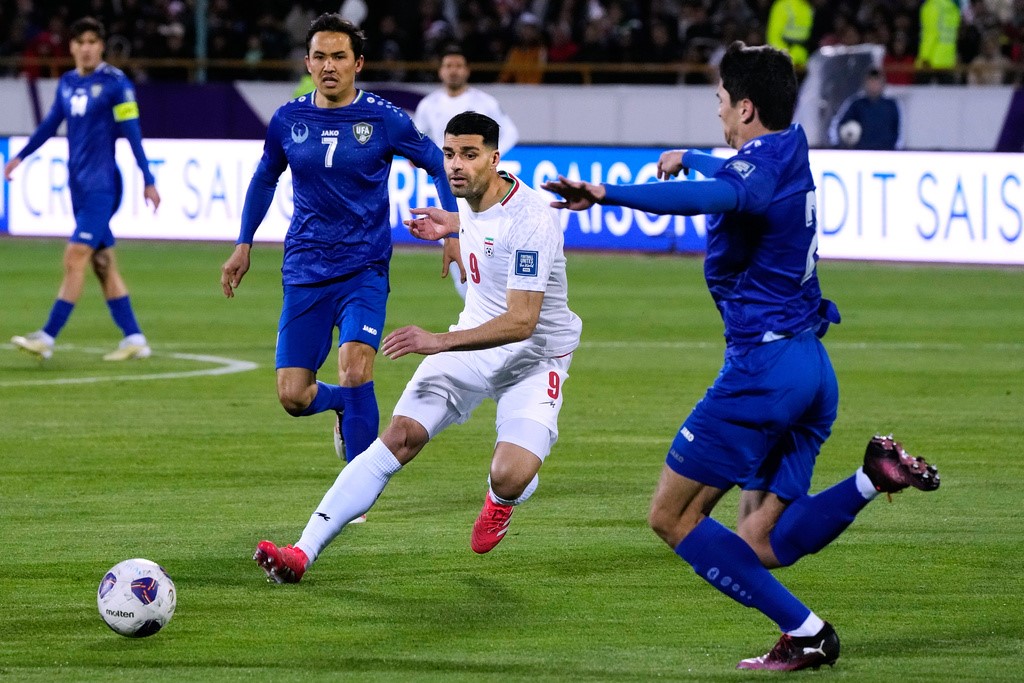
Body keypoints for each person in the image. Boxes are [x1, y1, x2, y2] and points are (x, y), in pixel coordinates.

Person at [542, 42, 940, 671]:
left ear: (748, 107)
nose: (720, 116)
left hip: (765, 372)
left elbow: (724, 197)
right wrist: (694, 156)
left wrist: (606, 192)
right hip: (812, 369)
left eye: (723, 105)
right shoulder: (794, 144)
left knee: (671, 515)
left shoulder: (748, 180)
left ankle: (808, 631)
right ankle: (872, 478)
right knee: (758, 542)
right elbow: (743, 172)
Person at [252, 111, 582, 583]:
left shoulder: (532, 223)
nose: (455, 165)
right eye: (449, 154)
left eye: (469, 155)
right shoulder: (476, 194)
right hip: (474, 343)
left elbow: (521, 321)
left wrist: (436, 342)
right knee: (399, 436)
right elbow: (479, 221)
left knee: (511, 474)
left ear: (495, 157)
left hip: (534, 357)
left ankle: (503, 496)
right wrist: (450, 225)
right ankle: (301, 553)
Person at [220, 14, 460, 476]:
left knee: (356, 369)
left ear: (358, 63)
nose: (329, 65)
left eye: (339, 56)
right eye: (320, 56)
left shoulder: (384, 119)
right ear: (308, 63)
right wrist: (243, 244)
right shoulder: (288, 119)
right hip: (305, 270)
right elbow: (265, 177)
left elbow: (436, 163)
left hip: (364, 269)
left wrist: (451, 230)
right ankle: (342, 408)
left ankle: (360, 486)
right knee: (293, 396)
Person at [6, 16, 160, 362]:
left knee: (75, 255)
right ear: (72, 47)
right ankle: (135, 338)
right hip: (77, 185)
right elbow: (49, 125)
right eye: (81, 42)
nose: (87, 48)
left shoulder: (116, 83)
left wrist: (148, 179)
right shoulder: (67, 82)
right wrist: (20, 156)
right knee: (102, 262)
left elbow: (132, 132)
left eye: (93, 41)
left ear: (101, 45)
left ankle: (47, 336)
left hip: (102, 186)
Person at [413, 45, 520, 300]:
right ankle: (475, 309)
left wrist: (485, 162)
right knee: (456, 247)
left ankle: (493, 308)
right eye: (448, 66)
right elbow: (417, 140)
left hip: (480, 188)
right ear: (440, 71)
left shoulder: (484, 103)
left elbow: (510, 133)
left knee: (487, 247)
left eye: (458, 66)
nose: (453, 71)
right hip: (448, 189)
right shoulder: (429, 105)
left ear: (467, 70)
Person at [829, 67, 902, 150]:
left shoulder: (891, 105)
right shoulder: (856, 104)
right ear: (865, 83)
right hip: (861, 154)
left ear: (883, 84)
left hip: (885, 153)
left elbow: (898, 132)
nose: (874, 85)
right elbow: (839, 126)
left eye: (877, 82)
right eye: (871, 81)